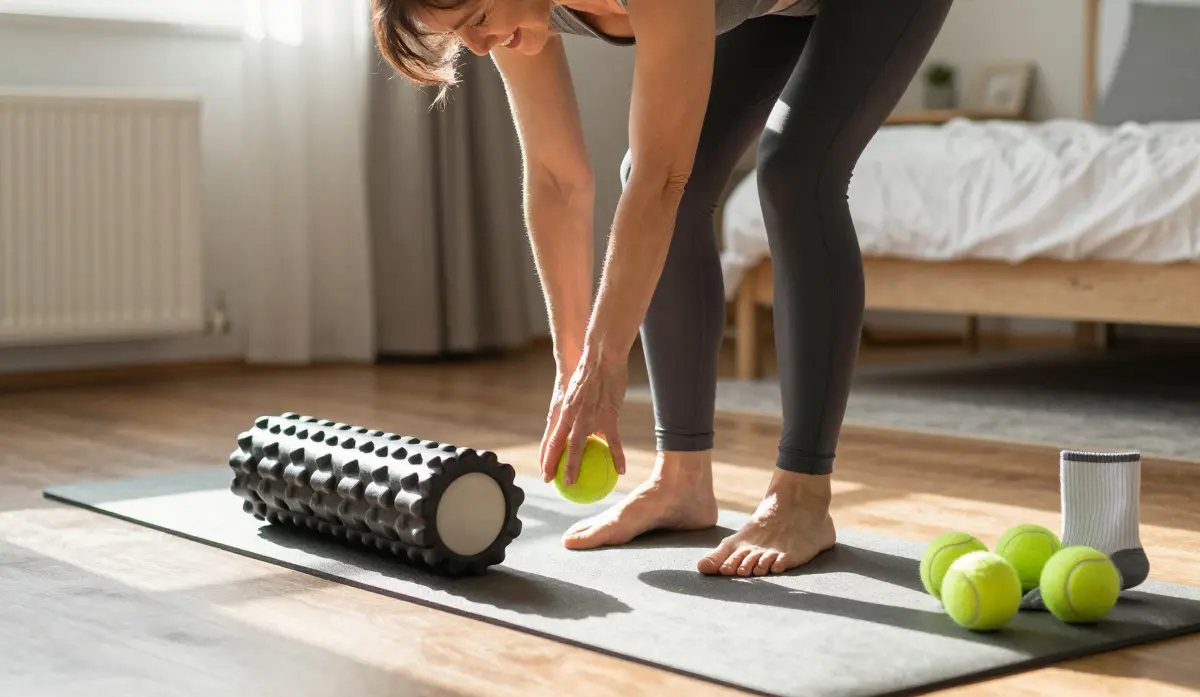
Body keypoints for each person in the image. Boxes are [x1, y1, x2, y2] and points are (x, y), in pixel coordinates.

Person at [372, 0, 953, 576]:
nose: (477, 46)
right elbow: (556, 179)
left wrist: (606, 362)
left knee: (796, 170)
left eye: (475, 19)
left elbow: (660, 180)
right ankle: (682, 481)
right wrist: (573, 364)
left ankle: (802, 494)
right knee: (675, 172)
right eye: (459, 34)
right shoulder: (512, 17)